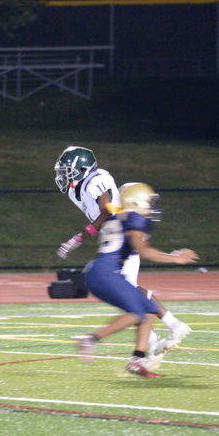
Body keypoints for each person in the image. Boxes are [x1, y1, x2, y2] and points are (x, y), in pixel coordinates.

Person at [54, 145, 191, 359]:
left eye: (67, 171)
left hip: (124, 234)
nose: (63, 176)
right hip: (114, 235)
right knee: (128, 288)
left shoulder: (95, 181)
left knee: (128, 288)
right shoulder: (76, 189)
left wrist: (79, 237)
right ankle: (158, 336)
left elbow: (106, 210)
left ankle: (168, 329)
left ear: (82, 169)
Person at [76, 182, 199, 377]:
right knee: (137, 313)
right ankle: (91, 339)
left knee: (148, 308)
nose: (151, 206)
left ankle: (137, 359)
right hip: (106, 274)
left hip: (101, 272)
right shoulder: (133, 218)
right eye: (149, 202)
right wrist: (176, 258)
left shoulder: (117, 216)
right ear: (136, 201)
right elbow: (144, 251)